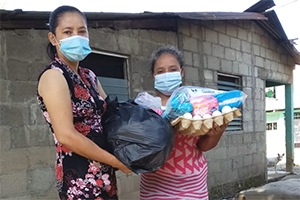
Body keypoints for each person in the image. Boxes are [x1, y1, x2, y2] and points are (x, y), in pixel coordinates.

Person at [37, 6, 131, 200]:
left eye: (81, 31)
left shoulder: (89, 76)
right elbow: (66, 135)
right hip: (79, 175)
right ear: (53, 38)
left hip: (104, 172)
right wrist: (115, 161)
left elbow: (111, 115)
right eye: (67, 32)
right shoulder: (54, 76)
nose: (76, 37)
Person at [140, 46, 228, 200]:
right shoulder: (146, 106)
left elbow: (201, 146)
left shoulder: (197, 103)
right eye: (160, 71)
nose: (167, 75)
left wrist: (216, 134)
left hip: (194, 187)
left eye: (172, 69)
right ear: (153, 76)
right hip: (156, 187)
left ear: (181, 72)